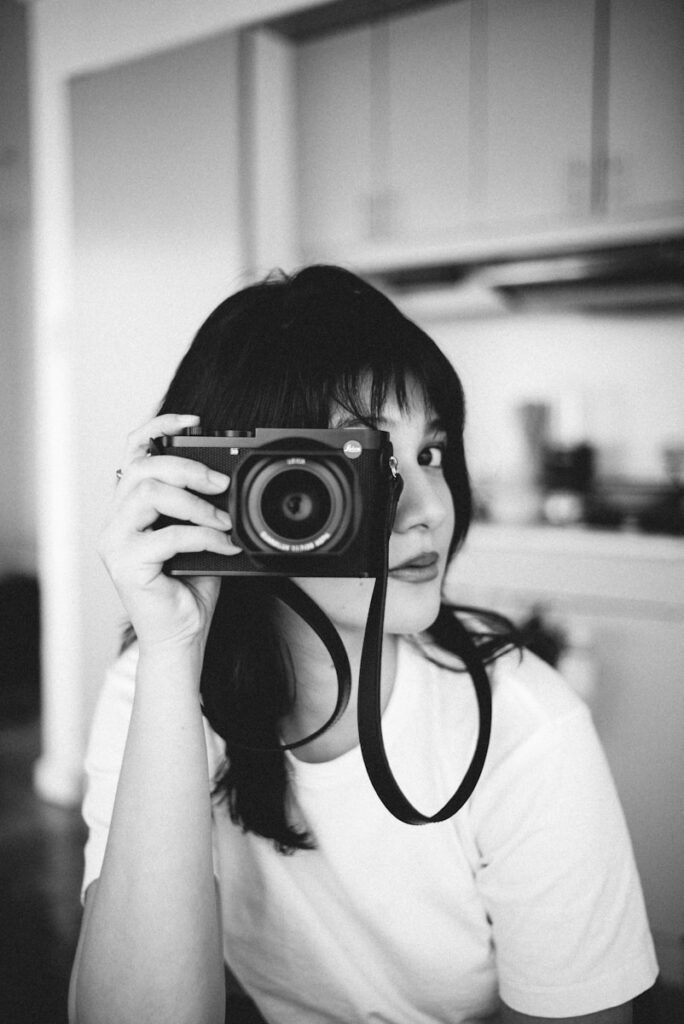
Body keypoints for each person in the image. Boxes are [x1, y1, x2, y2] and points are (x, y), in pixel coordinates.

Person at [69, 266, 657, 1024]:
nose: (429, 511)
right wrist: (173, 653)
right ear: (248, 491)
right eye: (370, 465)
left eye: (433, 454)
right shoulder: (156, 685)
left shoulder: (524, 729)